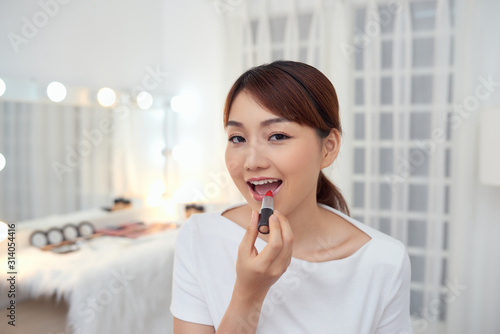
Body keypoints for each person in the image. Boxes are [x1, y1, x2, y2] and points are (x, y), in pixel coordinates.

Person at [170, 61, 413, 334]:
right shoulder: (200, 237)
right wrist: (247, 296)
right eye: (237, 138)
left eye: (277, 135)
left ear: (328, 148)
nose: (252, 161)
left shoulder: (383, 261)